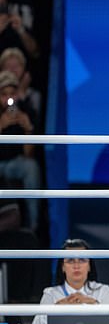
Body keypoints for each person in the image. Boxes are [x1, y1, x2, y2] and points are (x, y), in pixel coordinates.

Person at [32, 239, 109, 324]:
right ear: (62, 267)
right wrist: (56, 308)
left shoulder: (103, 290)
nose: (76, 266)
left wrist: (95, 305)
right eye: (70, 260)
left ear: (89, 266)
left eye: (82, 260)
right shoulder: (50, 293)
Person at [0, 69, 40, 230]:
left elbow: (28, 154)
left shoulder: (27, 111)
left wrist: (28, 129)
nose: (9, 98)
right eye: (4, 94)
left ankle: (33, 225)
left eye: (13, 93)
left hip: (16, 164)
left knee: (31, 168)